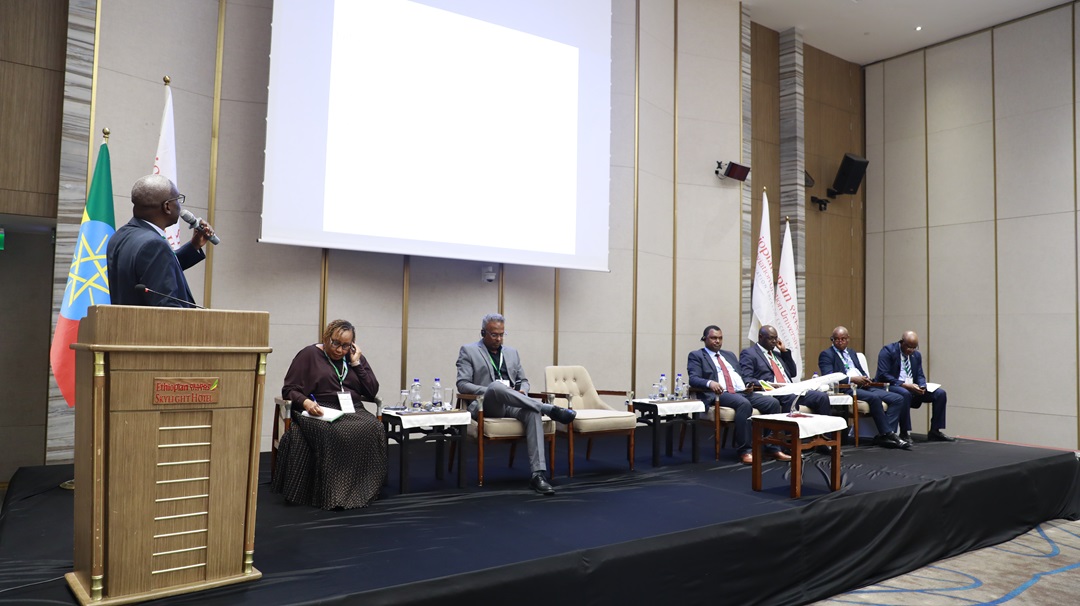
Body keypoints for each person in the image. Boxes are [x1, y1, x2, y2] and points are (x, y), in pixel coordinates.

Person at [272, 319, 387, 509]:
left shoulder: (353, 357)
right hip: (318, 407)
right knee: (334, 431)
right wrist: (306, 403)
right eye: (335, 343)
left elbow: (372, 390)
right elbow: (289, 389)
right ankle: (335, 494)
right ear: (326, 337)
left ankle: (364, 489)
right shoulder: (309, 354)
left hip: (352, 408)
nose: (340, 350)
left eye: (346, 345)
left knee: (374, 427)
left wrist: (357, 363)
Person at [456, 313, 576, 495]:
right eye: (494, 335)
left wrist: (523, 392)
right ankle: (548, 409)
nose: (498, 339)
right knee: (497, 386)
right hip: (486, 406)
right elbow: (462, 384)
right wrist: (492, 390)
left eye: (501, 334)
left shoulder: (512, 353)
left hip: (513, 403)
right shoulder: (469, 350)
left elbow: (524, 381)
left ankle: (538, 475)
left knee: (532, 412)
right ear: (483, 333)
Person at [107, 174, 215, 307]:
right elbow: (166, 308)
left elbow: (153, 270)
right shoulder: (154, 245)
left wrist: (194, 246)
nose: (179, 206)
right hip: (153, 321)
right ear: (167, 206)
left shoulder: (120, 236)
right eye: (177, 199)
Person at [687, 325, 790, 465]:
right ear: (704, 339)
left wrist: (748, 385)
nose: (717, 341)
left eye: (720, 338)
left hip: (741, 391)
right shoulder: (697, 355)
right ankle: (745, 451)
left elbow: (742, 375)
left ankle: (772, 447)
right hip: (719, 393)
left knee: (772, 403)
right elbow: (693, 379)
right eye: (713, 338)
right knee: (743, 404)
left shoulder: (729, 355)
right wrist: (710, 383)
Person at [818, 326, 911, 449]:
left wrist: (865, 378)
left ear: (848, 339)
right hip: (847, 388)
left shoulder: (851, 353)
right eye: (836, 339)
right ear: (832, 339)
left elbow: (860, 371)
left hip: (863, 386)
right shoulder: (826, 354)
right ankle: (889, 434)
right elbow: (829, 377)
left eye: (843, 339)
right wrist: (852, 379)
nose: (839, 342)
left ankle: (885, 435)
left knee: (898, 398)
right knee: (874, 398)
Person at [875, 331, 955, 442]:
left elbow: (920, 375)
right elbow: (883, 374)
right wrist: (904, 384)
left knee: (940, 394)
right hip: (892, 386)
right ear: (902, 342)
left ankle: (935, 431)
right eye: (909, 347)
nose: (911, 350)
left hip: (912, 387)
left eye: (914, 347)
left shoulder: (916, 355)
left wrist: (922, 386)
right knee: (905, 393)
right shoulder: (888, 351)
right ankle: (904, 432)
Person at [740, 325, 832, 416]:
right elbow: (747, 378)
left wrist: (784, 352)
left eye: (776, 338)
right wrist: (768, 384)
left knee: (822, 397)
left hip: (791, 389)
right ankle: (789, 426)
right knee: (791, 398)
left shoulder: (777, 354)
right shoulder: (749, 353)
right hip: (774, 391)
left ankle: (823, 426)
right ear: (760, 337)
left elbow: (793, 373)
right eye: (771, 338)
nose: (774, 341)